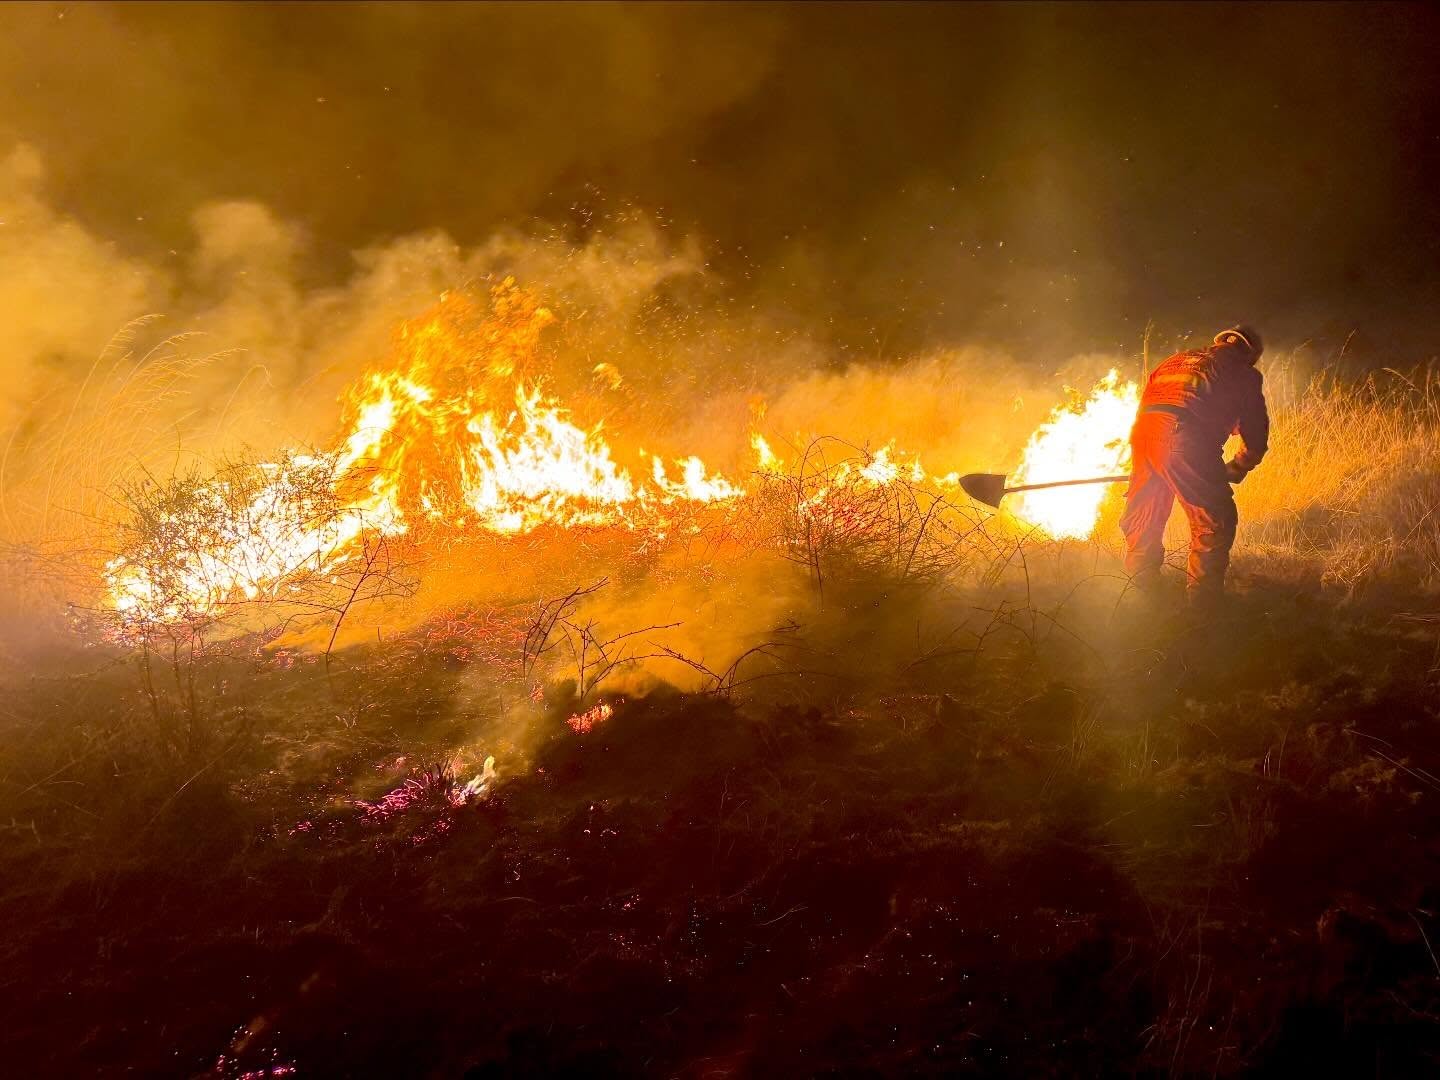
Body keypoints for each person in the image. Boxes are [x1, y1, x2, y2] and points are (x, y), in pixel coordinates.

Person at [1120, 324, 1269, 602]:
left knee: (1145, 516)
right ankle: (1202, 611)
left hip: (1142, 436)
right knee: (1214, 521)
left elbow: (1154, 405)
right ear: (1249, 354)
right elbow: (1255, 433)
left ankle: (1139, 599)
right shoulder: (1243, 372)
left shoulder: (1176, 361)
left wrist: (1154, 456)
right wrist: (1238, 466)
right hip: (1183, 437)